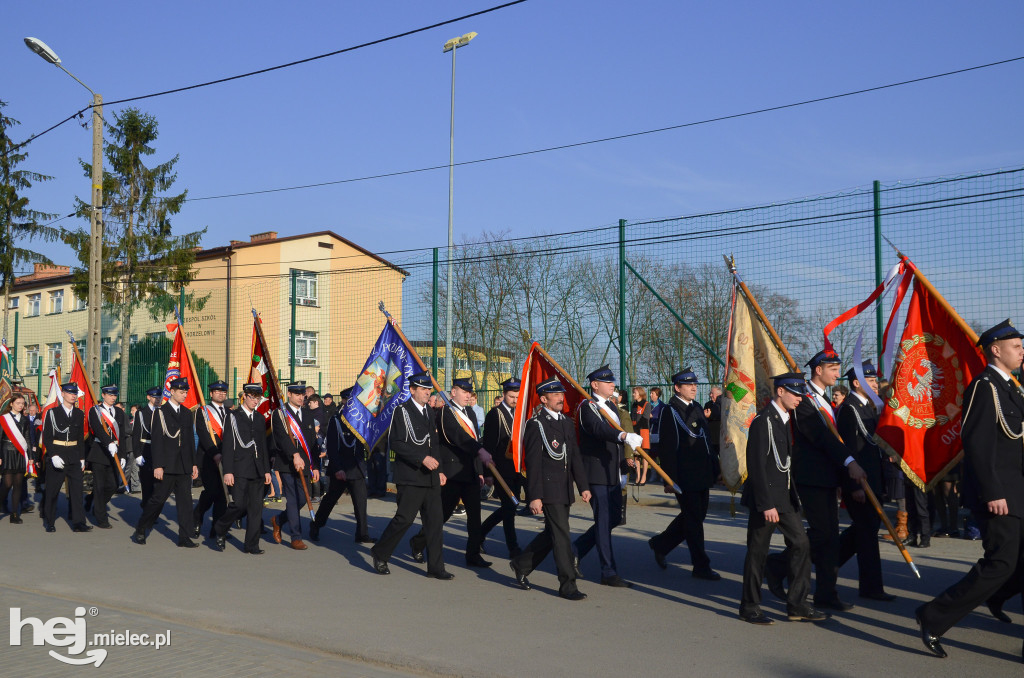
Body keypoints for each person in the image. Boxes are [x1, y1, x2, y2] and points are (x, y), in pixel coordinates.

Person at [915, 320, 1024, 660]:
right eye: (1017, 346)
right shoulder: (985, 386)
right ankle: (933, 616)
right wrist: (993, 492)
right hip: (1001, 493)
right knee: (1000, 564)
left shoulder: (1013, 388)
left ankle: (996, 596)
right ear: (996, 349)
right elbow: (977, 443)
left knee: (1013, 564)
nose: (1022, 351)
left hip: (1018, 489)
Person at [765, 349, 867, 613]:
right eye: (832, 368)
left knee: (829, 538)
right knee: (822, 535)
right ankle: (777, 567)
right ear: (818, 370)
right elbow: (820, 437)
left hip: (828, 477)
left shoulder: (825, 400)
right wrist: (849, 462)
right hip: (811, 477)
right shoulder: (805, 400)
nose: (837, 373)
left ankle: (825, 593)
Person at [739, 373, 827, 625]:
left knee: (801, 543)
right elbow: (756, 465)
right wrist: (766, 504)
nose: (799, 398)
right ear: (780, 392)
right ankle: (749, 605)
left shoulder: (785, 419)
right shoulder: (763, 421)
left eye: (801, 393)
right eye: (795, 393)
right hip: (765, 498)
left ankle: (797, 603)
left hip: (785, 497)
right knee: (757, 552)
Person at [510, 378, 592, 600]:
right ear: (544, 399)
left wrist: (582, 486)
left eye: (561, 394)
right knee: (562, 536)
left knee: (552, 533)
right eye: (555, 395)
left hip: (564, 488)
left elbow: (574, 456)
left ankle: (521, 564)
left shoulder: (566, 422)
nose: (560, 398)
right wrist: (534, 496)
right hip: (548, 489)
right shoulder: (536, 425)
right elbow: (534, 464)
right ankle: (568, 586)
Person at [370, 370, 452, 579]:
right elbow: (396, 443)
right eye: (423, 389)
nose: (428, 393)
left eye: (429, 389)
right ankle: (380, 553)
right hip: (411, 476)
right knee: (404, 519)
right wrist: (421, 458)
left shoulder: (429, 412)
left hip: (431, 477)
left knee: (434, 523)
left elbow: (434, 445)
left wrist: (440, 470)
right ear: (412, 390)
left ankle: (436, 567)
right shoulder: (402, 411)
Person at [410, 378, 493, 567]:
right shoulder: (445, 413)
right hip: (452, 472)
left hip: (469, 471)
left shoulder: (470, 412)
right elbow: (458, 436)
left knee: (475, 515)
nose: (468, 396)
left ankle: (472, 554)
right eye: (464, 392)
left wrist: (479, 471)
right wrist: (480, 451)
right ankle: (418, 542)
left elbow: (475, 439)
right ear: (453, 392)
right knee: (443, 515)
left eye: (470, 393)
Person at [648, 368, 721, 580]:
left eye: (695, 384)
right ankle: (701, 566)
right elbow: (667, 449)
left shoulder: (697, 407)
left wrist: (715, 468)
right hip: (685, 476)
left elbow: (706, 440)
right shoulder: (670, 412)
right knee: (694, 521)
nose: (693, 387)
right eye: (688, 384)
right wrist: (669, 478)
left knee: (696, 516)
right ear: (677, 388)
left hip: (703, 473)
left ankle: (660, 544)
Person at [572, 365, 641, 588]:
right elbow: (597, 430)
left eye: (612, 381)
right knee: (603, 521)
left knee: (612, 519)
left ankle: (575, 550)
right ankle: (608, 571)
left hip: (612, 470)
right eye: (607, 381)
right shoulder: (587, 406)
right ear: (594, 385)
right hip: (596, 472)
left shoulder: (611, 405)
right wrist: (622, 435)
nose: (612, 384)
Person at [835, 362, 894, 601]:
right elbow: (849, 451)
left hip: (872, 480)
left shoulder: (867, 408)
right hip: (860, 484)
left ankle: (821, 561)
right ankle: (871, 588)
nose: (875, 385)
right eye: (870, 381)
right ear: (857, 384)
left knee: (862, 532)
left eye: (875, 381)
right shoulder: (850, 409)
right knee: (867, 534)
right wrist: (855, 487)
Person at [132, 378, 199, 547]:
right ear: (172, 392)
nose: (184, 395)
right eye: (181, 392)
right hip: (167, 465)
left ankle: (184, 537)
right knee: (157, 500)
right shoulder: (160, 412)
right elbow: (157, 441)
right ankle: (141, 528)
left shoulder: (185, 413)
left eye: (186, 392)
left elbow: (190, 441)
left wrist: (193, 463)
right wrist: (158, 466)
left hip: (183, 465)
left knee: (185, 504)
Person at [212, 383, 271, 554]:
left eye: (258, 398)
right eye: (252, 397)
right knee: (238, 505)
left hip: (258, 468)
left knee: (255, 509)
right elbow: (228, 445)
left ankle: (251, 545)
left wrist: (267, 470)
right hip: (239, 468)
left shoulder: (260, 418)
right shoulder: (232, 416)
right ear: (244, 396)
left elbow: (263, 446)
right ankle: (221, 527)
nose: (255, 401)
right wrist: (228, 470)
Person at [311, 387, 374, 544]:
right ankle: (316, 525)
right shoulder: (336, 420)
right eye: (350, 401)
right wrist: (338, 468)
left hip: (357, 468)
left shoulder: (361, 420)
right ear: (345, 401)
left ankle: (362, 534)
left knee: (361, 503)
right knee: (330, 500)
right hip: (341, 469)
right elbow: (332, 447)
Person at [270, 382, 320, 550]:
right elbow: (282, 438)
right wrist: (294, 454)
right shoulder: (280, 414)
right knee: (292, 499)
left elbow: (313, 443)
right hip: (287, 463)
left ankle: (279, 520)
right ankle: (295, 537)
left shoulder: (307, 414)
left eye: (303, 394)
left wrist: (315, 466)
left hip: (305, 463)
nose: (301, 397)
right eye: (297, 394)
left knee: (301, 500)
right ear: (289, 394)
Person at [480, 378, 522, 558]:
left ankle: (480, 533)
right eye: (511, 396)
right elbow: (488, 445)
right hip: (500, 468)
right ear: (504, 394)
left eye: (517, 396)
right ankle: (513, 548)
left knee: (510, 506)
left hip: (516, 468)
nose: (514, 399)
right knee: (509, 506)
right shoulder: (495, 414)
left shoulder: (519, 413)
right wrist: (487, 473)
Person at [41, 383, 89, 533]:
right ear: (62, 394)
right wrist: (53, 454)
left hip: (74, 455)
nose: (73, 395)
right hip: (58, 454)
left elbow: (80, 438)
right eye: (69, 393)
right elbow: (47, 437)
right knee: (52, 491)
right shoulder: (52, 413)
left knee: (76, 491)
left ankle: (78, 522)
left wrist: (82, 457)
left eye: (75, 393)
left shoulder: (79, 413)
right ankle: (49, 521)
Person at [193, 381, 230, 539]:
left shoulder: (229, 413)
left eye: (223, 391)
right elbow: (203, 434)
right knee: (212, 492)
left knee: (223, 494)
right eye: (217, 391)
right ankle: (197, 516)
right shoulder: (203, 412)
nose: (221, 394)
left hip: (226, 458)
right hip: (208, 458)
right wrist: (214, 453)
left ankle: (217, 528)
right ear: (211, 394)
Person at [86, 385, 126, 529]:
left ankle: (95, 502)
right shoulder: (95, 410)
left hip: (115, 453)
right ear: (103, 395)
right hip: (100, 452)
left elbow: (122, 434)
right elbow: (96, 428)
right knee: (99, 485)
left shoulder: (119, 413)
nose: (113, 398)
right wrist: (108, 442)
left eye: (115, 395)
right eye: (110, 395)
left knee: (113, 485)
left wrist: (122, 455)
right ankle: (101, 518)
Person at [0, 393, 32, 524]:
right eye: (18, 403)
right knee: (7, 484)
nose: (21, 406)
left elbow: (28, 439)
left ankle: (14, 514)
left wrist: (30, 456)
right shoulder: (3, 419)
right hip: (7, 452)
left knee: (18, 484)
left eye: (22, 403)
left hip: (20, 453)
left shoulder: (25, 419)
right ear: (11, 404)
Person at [132, 388, 162, 508]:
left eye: (159, 397)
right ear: (148, 397)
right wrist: (137, 454)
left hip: (159, 451)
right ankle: (146, 507)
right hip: (146, 449)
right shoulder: (141, 413)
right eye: (155, 397)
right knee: (147, 483)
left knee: (159, 484)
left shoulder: (162, 412)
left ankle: (152, 508)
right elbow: (136, 435)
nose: (157, 399)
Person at [630, 386, 651, 485]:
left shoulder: (646, 404)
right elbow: (632, 418)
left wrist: (636, 429)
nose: (633, 394)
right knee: (636, 455)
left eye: (635, 393)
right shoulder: (633, 405)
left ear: (640, 393)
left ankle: (644, 476)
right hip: (634, 432)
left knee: (644, 455)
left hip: (643, 431)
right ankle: (638, 476)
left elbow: (645, 419)